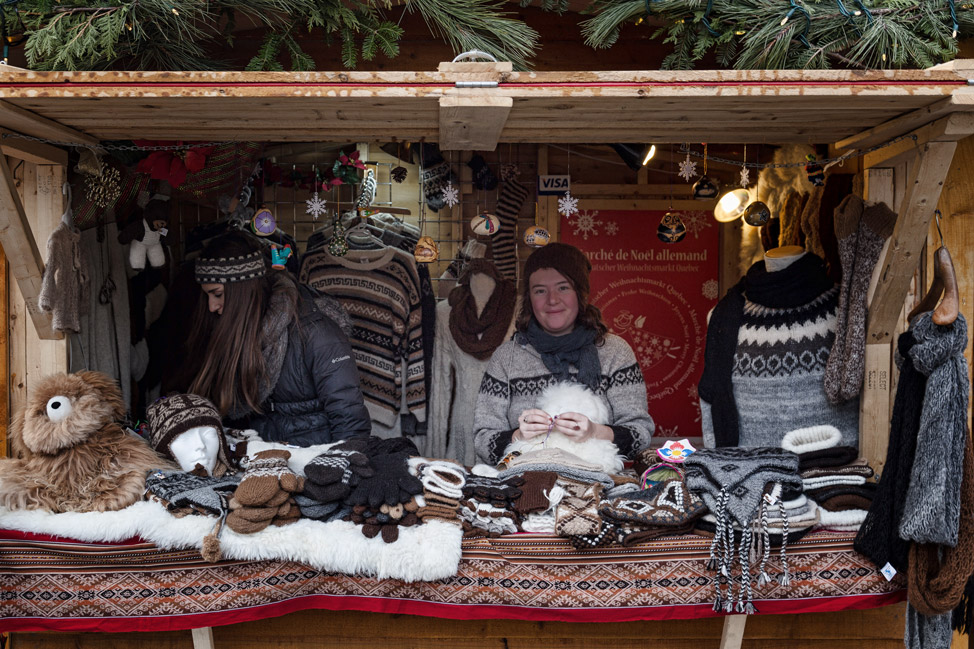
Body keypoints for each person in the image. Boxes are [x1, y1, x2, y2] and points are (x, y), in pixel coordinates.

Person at [473, 242, 655, 464]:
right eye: (540, 290)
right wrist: (518, 436)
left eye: (563, 287)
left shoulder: (615, 352)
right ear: (529, 298)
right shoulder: (507, 358)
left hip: (599, 486)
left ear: (580, 293)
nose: (552, 300)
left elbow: (641, 433)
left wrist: (595, 432)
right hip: (525, 486)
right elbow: (483, 440)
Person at [186, 231, 371, 446]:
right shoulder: (234, 330)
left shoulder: (316, 331)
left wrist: (337, 469)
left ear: (242, 290)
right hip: (258, 461)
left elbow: (350, 422)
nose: (212, 306)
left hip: (313, 463)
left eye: (217, 294)